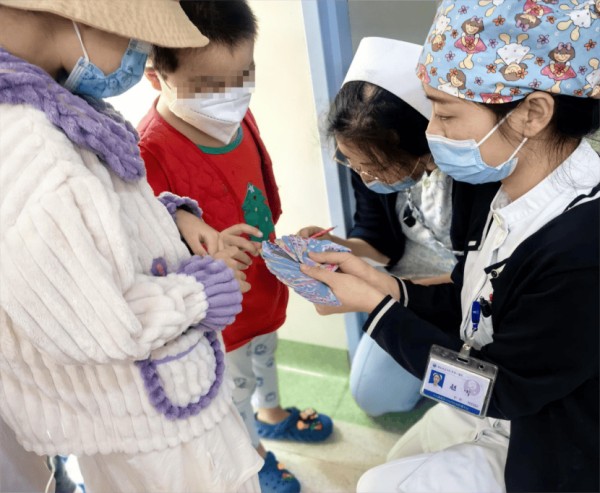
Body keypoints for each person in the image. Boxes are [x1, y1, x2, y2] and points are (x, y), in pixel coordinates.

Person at [300, 1, 600, 491]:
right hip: (492, 403)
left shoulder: (579, 250)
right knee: (394, 464)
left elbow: (497, 391)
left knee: (378, 485)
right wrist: (387, 288)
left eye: (443, 114)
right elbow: (473, 300)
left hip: (541, 436)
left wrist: (377, 311)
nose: (431, 134)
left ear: (532, 113)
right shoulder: (506, 193)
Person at [0, 1, 263, 492]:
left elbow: (86, 234)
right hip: (153, 432)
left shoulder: (53, 107)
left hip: (162, 410)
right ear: (84, 16)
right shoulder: (27, 145)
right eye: (139, 37)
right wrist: (201, 291)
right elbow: (94, 319)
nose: (142, 56)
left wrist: (170, 219)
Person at [137, 2, 333, 492]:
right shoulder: (149, 152)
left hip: (263, 283)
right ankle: (252, 452)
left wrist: (288, 242)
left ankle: (271, 413)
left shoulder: (237, 118)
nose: (231, 94)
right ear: (156, 78)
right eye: (210, 85)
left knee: (267, 350)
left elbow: (258, 191)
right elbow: (152, 247)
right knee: (234, 386)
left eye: (244, 75)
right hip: (221, 310)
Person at [299, 37, 499, 416]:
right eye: (354, 164)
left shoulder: (473, 176)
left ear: (421, 147)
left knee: (478, 394)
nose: (365, 175)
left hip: (461, 292)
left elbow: (476, 281)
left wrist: (381, 292)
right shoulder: (363, 157)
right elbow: (376, 237)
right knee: (374, 398)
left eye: (374, 166)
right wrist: (339, 247)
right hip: (403, 287)